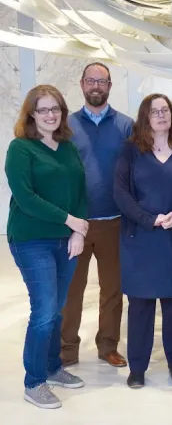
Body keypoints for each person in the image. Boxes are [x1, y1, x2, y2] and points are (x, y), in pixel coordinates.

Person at [5, 85, 88, 409]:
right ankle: (34, 381)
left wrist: (78, 231)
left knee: (56, 309)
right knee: (43, 311)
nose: (51, 115)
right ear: (31, 114)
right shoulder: (20, 149)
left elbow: (81, 190)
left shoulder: (67, 147)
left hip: (65, 239)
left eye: (56, 109)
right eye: (43, 110)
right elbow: (26, 199)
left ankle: (54, 368)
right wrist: (70, 220)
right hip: (31, 239)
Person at [114, 94, 172, 389]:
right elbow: (121, 193)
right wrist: (149, 219)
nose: (161, 115)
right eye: (154, 111)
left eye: (165, 110)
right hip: (140, 239)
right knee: (140, 307)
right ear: (144, 117)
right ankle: (137, 368)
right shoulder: (130, 150)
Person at [61, 62, 134, 368]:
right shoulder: (66, 125)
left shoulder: (127, 126)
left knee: (112, 290)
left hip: (114, 222)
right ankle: (66, 349)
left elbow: (134, 171)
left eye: (101, 81)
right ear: (81, 84)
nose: (96, 86)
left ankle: (108, 346)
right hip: (75, 224)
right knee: (70, 291)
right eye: (90, 80)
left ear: (109, 85)